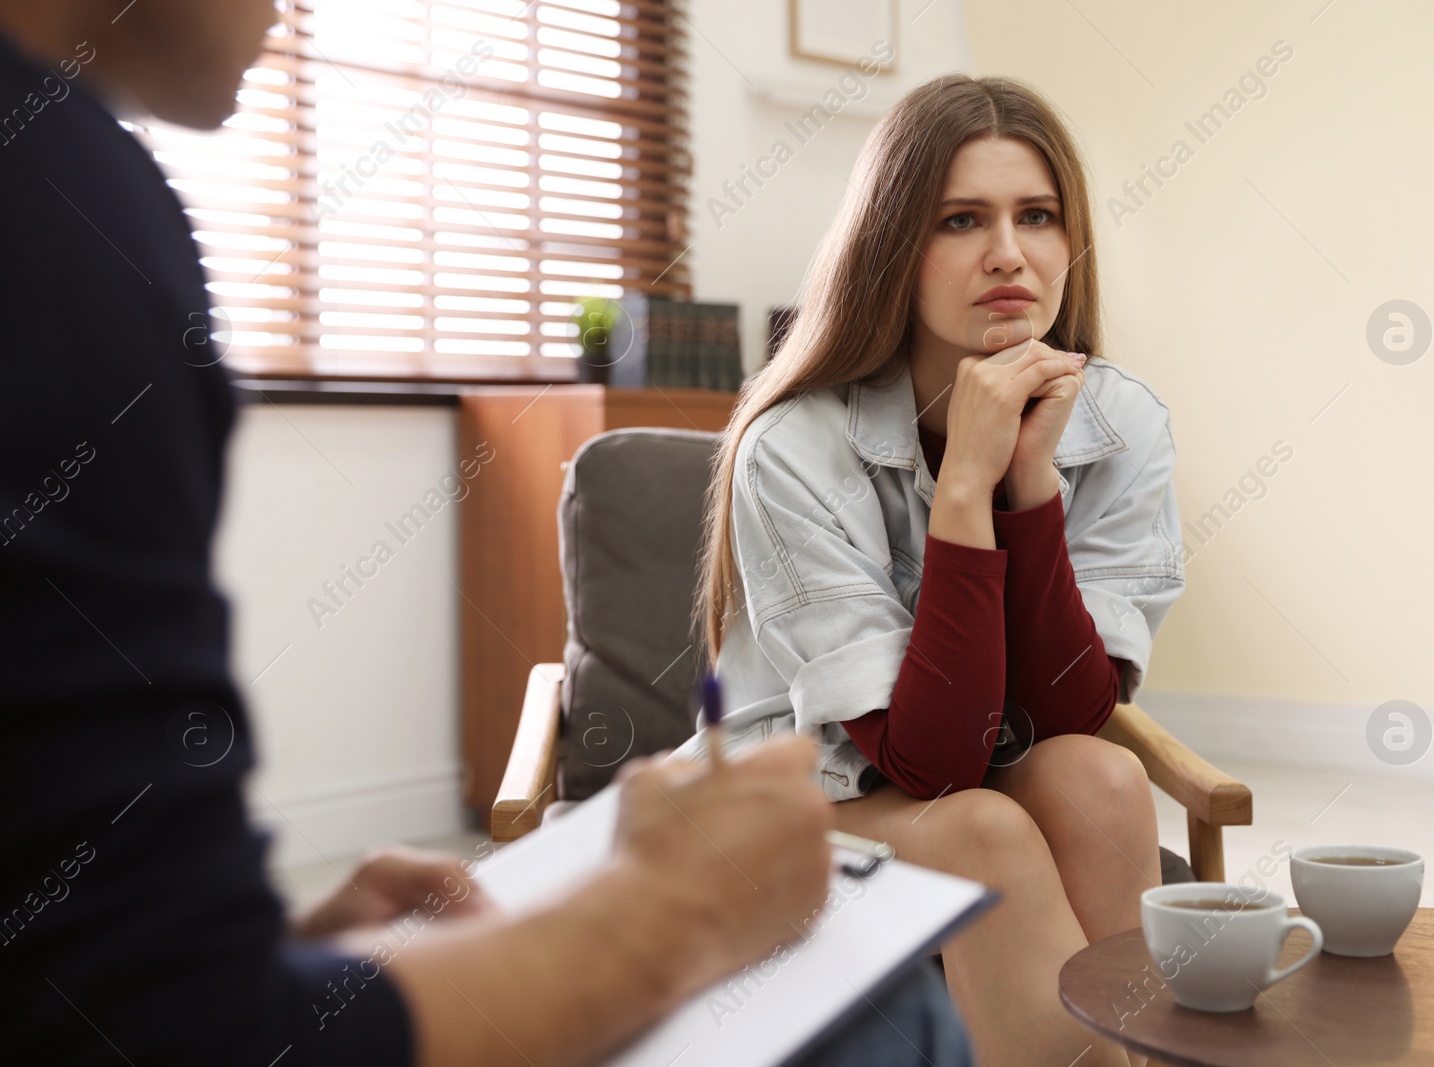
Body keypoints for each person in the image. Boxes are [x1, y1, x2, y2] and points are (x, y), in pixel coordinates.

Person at [0, 1, 973, 1064]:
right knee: (891, 1021)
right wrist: (672, 913)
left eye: (1040, 216)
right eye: (962, 220)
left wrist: (271, 939)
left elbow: (79, 968)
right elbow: (166, 1037)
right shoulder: (54, 199)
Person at [676, 74, 1186, 1067]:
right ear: (893, 248)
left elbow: (1065, 712)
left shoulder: (1122, 420)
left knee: (1100, 776)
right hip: (791, 799)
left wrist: (1029, 483)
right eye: (961, 219)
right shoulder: (793, 446)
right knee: (982, 829)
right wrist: (964, 493)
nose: (1008, 252)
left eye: (1035, 215)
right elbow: (929, 766)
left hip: (972, 767)